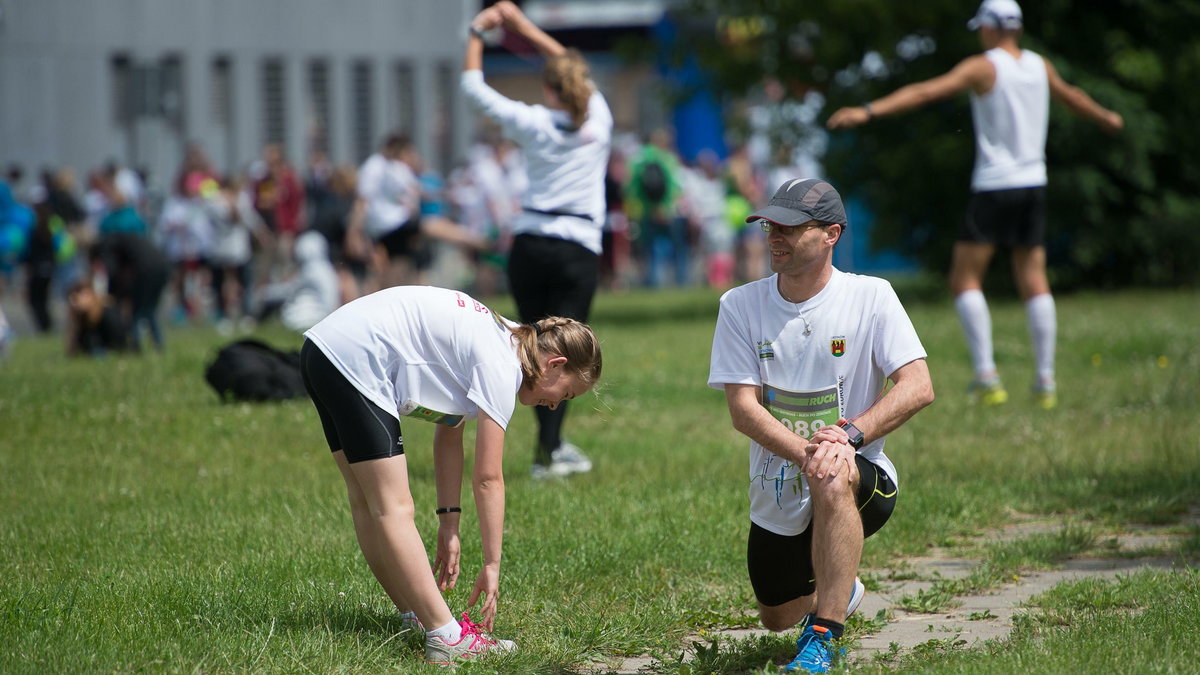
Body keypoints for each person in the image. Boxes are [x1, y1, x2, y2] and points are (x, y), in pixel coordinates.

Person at [826, 0, 1123, 409]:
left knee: (964, 278)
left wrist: (868, 110)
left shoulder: (985, 66)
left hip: (993, 187)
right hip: (1034, 184)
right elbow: (1072, 97)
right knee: (1034, 278)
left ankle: (986, 375)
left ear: (990, 27)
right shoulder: (1039, 65)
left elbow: (928, 90)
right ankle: (1045, 380)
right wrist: (1106, 117)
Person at [300, 285, 603, 664]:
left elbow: (449, 432)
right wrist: (492, 565)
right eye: (566, 394)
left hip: (323, 348)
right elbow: (488, 478)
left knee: (368, 500)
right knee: (393, 507)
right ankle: (447, 638)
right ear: (555, 364)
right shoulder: (502, 364)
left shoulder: (504, 338)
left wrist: (450, 523)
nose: (555, 404)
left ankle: (416, 614)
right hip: (358, 356)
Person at [707, 178, 934, 673]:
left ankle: (825, 638)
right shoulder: (739, 305)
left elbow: (918, 385)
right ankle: (841, 586)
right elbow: (742, 409)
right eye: (770, 226)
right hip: (779, 485)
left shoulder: (872, 296)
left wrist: (848, 439)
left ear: (831, 233)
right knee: (775, 616)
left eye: (789, 227)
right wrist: (806, 451)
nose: (774, 237)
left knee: (832, 473)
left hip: (863, 474)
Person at [462, 0, 612, 479]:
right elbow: (571, 65)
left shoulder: (532, 121)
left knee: (529, 348)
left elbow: (472, 86)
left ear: (549, 91)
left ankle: (544, 446)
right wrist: (523, 26)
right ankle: (549, 450)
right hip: (576, 246)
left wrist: (477, 33)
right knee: (567, 349)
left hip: (529, 244)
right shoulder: (600, 120)